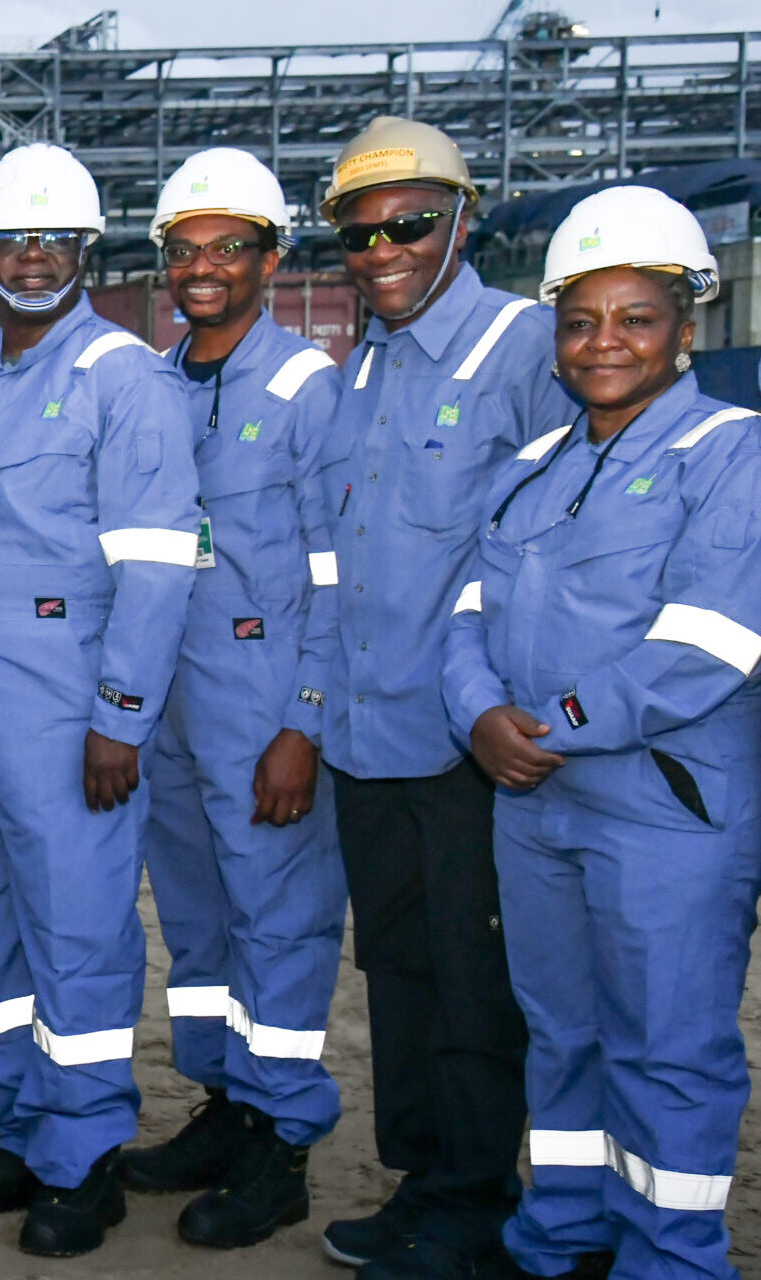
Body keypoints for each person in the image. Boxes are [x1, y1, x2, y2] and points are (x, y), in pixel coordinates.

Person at [446, 186, 757, 1280]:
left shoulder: (730, 454)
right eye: (580, 319)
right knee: (562, 1031)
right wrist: (476, 711)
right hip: (537, 806)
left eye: (635, 316)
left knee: (667, 1048)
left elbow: (704, 644)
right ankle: (559, 1237)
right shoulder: (532, 466)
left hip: (663, 807)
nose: (603, 341)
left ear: (687, 323)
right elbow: (466, 615)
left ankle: (668, 1258)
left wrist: (545, 726)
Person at [0, 142, 199, 1258]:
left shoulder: (124, 379)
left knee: (75, 930)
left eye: (53, 241)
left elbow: (159, 564)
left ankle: (84, 1155)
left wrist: (120, 715)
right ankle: (21, 1128)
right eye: (10, 240)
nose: (30, 258)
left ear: (86, 251)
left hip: (60, 706)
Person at [310, 117, 574, 1280]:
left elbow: (568, 542)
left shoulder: (525, 346)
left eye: (408, 223)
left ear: (460, 220)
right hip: (369, 738)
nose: (384, 248)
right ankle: (422, 1178)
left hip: (470, 745)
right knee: (401, 975)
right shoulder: (360, 364)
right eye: (361, 232)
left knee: (477, 984)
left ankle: (473, 1197)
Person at [118, 147, 348, 1250]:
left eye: (228, 247)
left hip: (260, 704)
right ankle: (221, 1101)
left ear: (270, 257)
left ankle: (282, 1135)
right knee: (199, 925)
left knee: (279, 924)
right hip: (166, 702)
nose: (203, 267)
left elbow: (336, 574)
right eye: (185, 248)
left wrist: (303, 719)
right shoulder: (154, 382)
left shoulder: (307, 388)